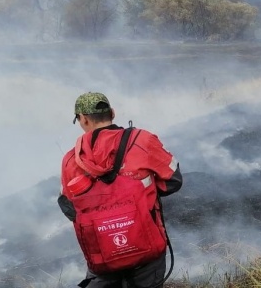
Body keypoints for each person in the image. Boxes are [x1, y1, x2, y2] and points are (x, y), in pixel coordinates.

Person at [58, 92, 183, 288]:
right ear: (113, 113)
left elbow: (69, 207)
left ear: (82, 119)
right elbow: (173, 181)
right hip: (147, 250)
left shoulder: (70, 160)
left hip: (103, 256)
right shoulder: (143, 140)